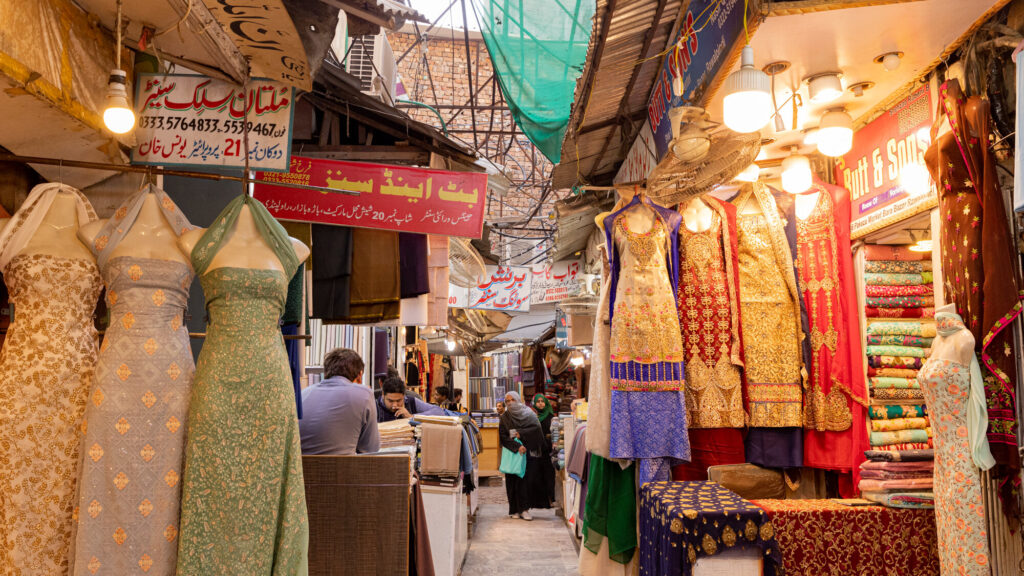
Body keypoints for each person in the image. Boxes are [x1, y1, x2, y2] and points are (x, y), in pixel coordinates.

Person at [299, 348, 380, 455]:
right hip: (342, 469)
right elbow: (370, 449)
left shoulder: (302, 394)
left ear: (326, 372)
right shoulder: (364, 394)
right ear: (360, 375)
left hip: (302, 469)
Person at [499, 391, 550, 520]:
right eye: (507, 401)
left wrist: (521, 434)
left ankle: (525, 509)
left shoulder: (529, 414)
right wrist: (517, 447)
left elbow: (536, 431)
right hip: (513, 454)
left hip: (528, 454)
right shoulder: (505, 417)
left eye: (512, 400)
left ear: (518, 400)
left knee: (526, 482)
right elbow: (503, 437)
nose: (510, 403)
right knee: (512, 482)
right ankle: (514, 510)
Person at [378, 375, 445, 422]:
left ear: (404, 395)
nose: (395, 405)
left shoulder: (411, 401)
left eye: (399, 400)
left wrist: (412, 416)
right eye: (390, 401)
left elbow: (439, 412)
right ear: (383, 395)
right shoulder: (374, 406)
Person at [532, 393, 558, 506]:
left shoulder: (551, 417)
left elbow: (554, 433)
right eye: (538, 402)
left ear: (546, 403)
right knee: (537, 474)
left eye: (542, 401)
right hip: (537, 449)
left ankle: (550, 499)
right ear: (535, 403)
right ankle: (539, 500)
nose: (541, 404)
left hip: (548, 450)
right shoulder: (533, 417)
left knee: (549, 474)